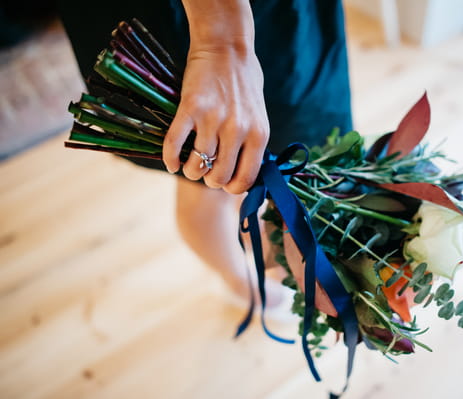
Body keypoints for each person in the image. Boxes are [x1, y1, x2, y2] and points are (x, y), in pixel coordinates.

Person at [59, 0, 353, 306]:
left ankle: (273, 253)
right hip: (185, 20)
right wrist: (221, 43)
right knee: (205, 181)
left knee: (288, 147)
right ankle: (238, 280)